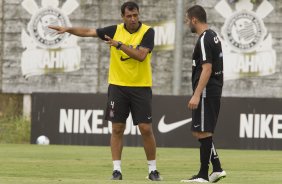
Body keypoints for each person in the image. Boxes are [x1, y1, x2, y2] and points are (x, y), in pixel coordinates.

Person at [49, 1, 161, 181]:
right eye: (129, 16)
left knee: (145, 128)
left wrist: (119, 45)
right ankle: (117, 170)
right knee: (117, 128)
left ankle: (153, 170)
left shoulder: (147, 31)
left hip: (141, 87)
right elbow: (88, 32)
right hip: (117, 87)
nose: (133, 19)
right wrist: (67, 29)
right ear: (122, 17)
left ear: (139, 15)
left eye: (135, 15)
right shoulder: (114, 30)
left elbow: (141, 56)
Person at [180, 5, 226, 183]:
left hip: (207, 91)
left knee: (203, 132)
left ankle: (202, 175)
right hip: (213, 89)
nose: (186, 23)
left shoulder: (204, 39)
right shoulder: (213, 35)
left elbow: (207, 68)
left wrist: (197, 94)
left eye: (187, 19)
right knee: (200, 132)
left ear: (194, 20)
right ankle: (217, 169)